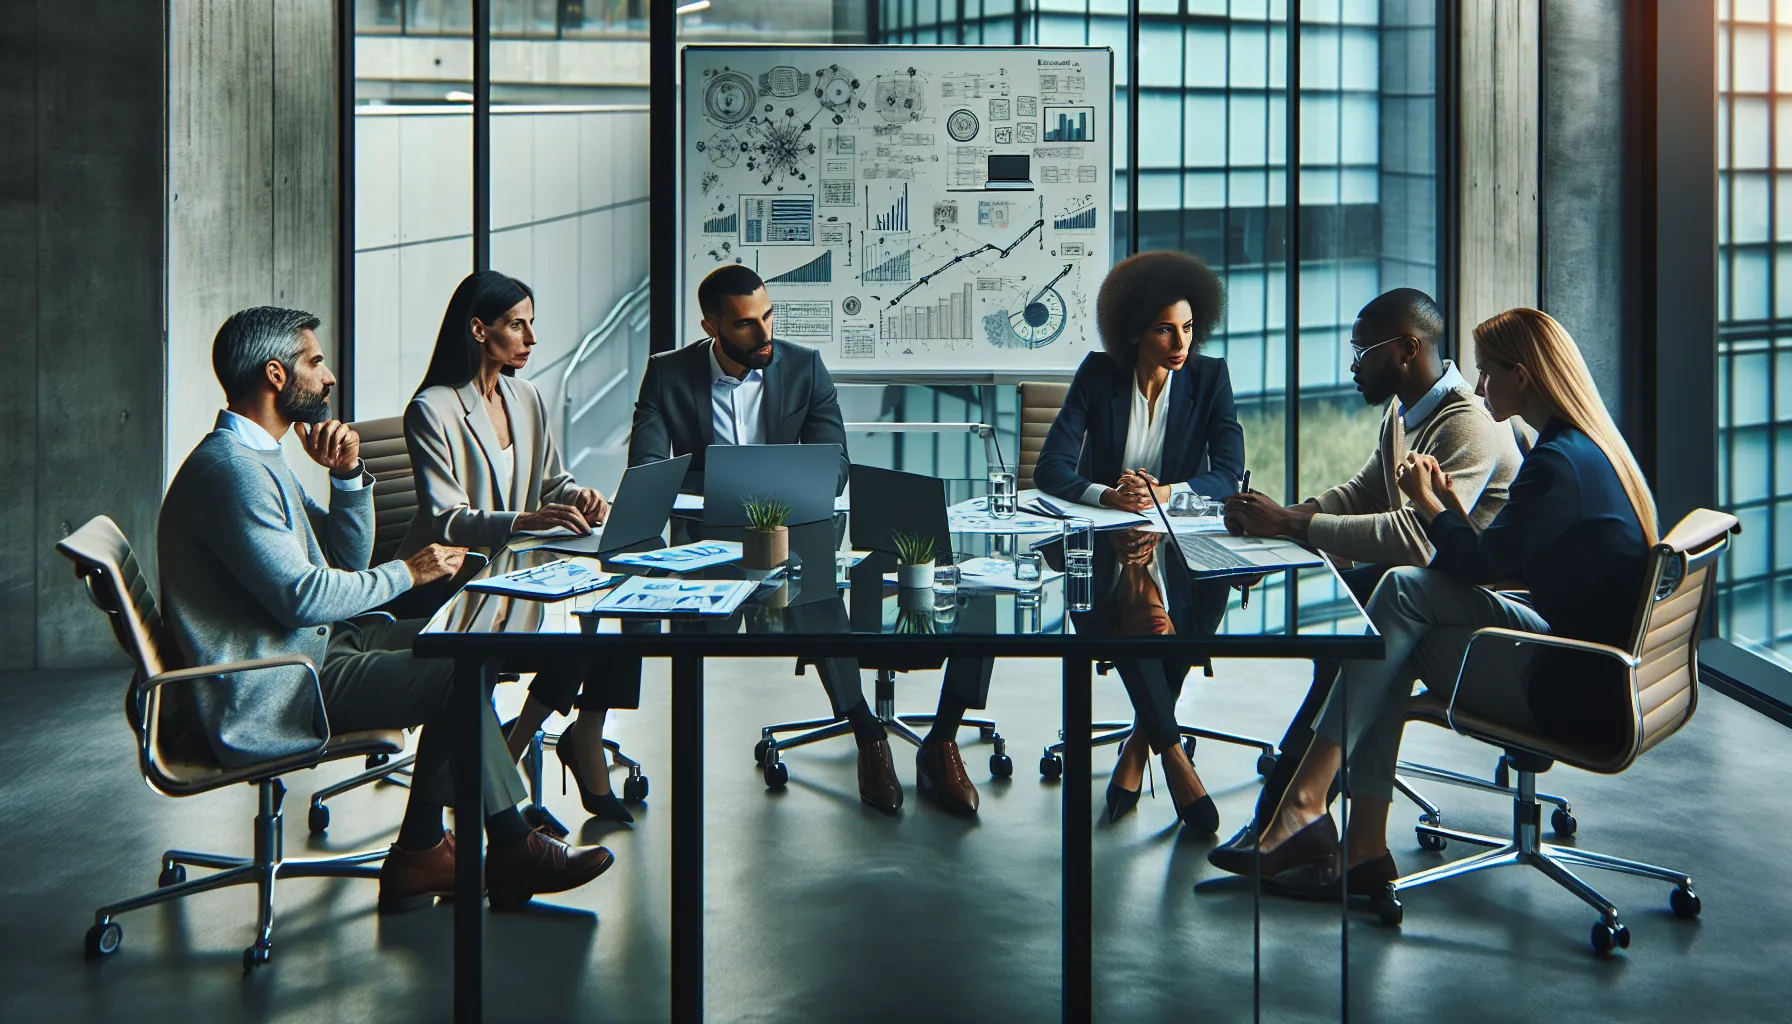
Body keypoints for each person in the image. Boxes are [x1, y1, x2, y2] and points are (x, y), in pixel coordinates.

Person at [159, 306, 613, 913]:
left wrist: (348, 477)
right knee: (458, 669)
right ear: (275, 375)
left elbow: (343, 560)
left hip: (314, 646)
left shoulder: (257, 456)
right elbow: (303, 596)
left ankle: (424, 849)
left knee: (467, 645)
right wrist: (411, 571)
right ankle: (508, 845)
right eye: (315, 362)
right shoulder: (232, 471)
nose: (328, 378)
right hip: (274, 682)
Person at [1211, 307, 1657, 900]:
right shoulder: (1578, 449)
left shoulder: (1552, 462)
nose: (1479, 385)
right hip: (1590, 665)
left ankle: (1311, 812)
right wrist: (1437, 507)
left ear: (1523, 376)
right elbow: (1489, 558)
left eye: (1488, 371)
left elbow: (1476, 565)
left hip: (1574, 684)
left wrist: (1430, 504)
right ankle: (1345, 838)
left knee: (1393, 616)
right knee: (1392, 613)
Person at [628, 264, 992, 816]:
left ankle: (886, 737)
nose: (764, 333)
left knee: (831, 598)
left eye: (768, 316)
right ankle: (862, 728)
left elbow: (836, 466)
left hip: (798, 531)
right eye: (746, 323)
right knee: (691, 634)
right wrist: (727, 485)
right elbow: (649, 467)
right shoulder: (668, 373)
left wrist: (773, 488)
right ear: (711, 327)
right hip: (708, 538)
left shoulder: (804, 366)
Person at [1209, 288, 1523, 866]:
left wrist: (1292, 525)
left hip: (1473, 622)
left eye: (1362, 352)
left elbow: (1416, 539)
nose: (1352, 366)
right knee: (1337, 640)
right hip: (1427, 596)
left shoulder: (1468, 426)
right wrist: (1280, 519)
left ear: (1407, 349)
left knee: (1348, 643)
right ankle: (1295, 818)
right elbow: (1364, 494)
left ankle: (1286, 816)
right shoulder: (1404, 413)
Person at [403, 271, 640, 824]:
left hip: (514, 575)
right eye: (517, 325)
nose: (531, 339)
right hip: (452, 582)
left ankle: (525, 747)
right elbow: (447, 519)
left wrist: (579, 496)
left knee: (611, 612)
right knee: (573, 635)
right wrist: (524, 520)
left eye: (531, 324)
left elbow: (552, 481)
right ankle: (503, 783)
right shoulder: (432, 409)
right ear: (478, 330)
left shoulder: (526, 396)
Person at [1033, 250, 1245, 836]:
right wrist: (1109, 496)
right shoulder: (1098, 375)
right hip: (1104, 542)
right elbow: (1051, 468)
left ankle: (1139, 744)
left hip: (1180, 536)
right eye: (1164, 330)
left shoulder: (1210, 378)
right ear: (1132, 333)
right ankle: (1173, 755)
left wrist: (1163, 492)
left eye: (1188, 327)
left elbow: (1229, 472)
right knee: (1131, 615)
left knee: (1192, 603)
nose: (1181, 343)